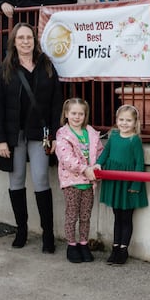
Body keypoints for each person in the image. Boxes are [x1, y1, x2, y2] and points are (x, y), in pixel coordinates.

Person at [0, 23, 63, 253]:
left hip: (39, 134)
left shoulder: (47, 66)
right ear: (14, 42)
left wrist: (53, 134)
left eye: (29, 37)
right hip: (14, 135)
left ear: (35, 40)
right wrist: (0, 139)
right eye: (20, 38)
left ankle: (48, 234)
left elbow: (56, 104)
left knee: (42, 178)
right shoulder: (5, 69)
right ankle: (21, 229)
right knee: (17, 180)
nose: (25, 42)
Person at [97, 104, 149, 265]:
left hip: (128, 183)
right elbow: (105, 153)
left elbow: (140, 163)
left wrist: (136, 185)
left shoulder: (135, 140)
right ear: (116, 120)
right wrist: (98, 165)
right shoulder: (113, 136)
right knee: (117, 216)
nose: (124, 123)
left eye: (128, 120)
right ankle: (115, 248)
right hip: (114, 181)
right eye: (121, 120)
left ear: (135, 122)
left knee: (126, 218)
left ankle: (123, 250)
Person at [55, 98, 104, 264]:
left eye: (81, 114)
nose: (77, 117)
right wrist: (85, 169)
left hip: (89, 183)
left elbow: (99, 152)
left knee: (85, 216)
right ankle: (71, 245)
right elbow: (66, 158)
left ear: (85, 115)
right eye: (73, 113)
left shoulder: (91, 133)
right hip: (72, 182)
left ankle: (83, 244)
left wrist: (98, 165)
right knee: (71, 215)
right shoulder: (63, 134)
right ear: (66, 114)